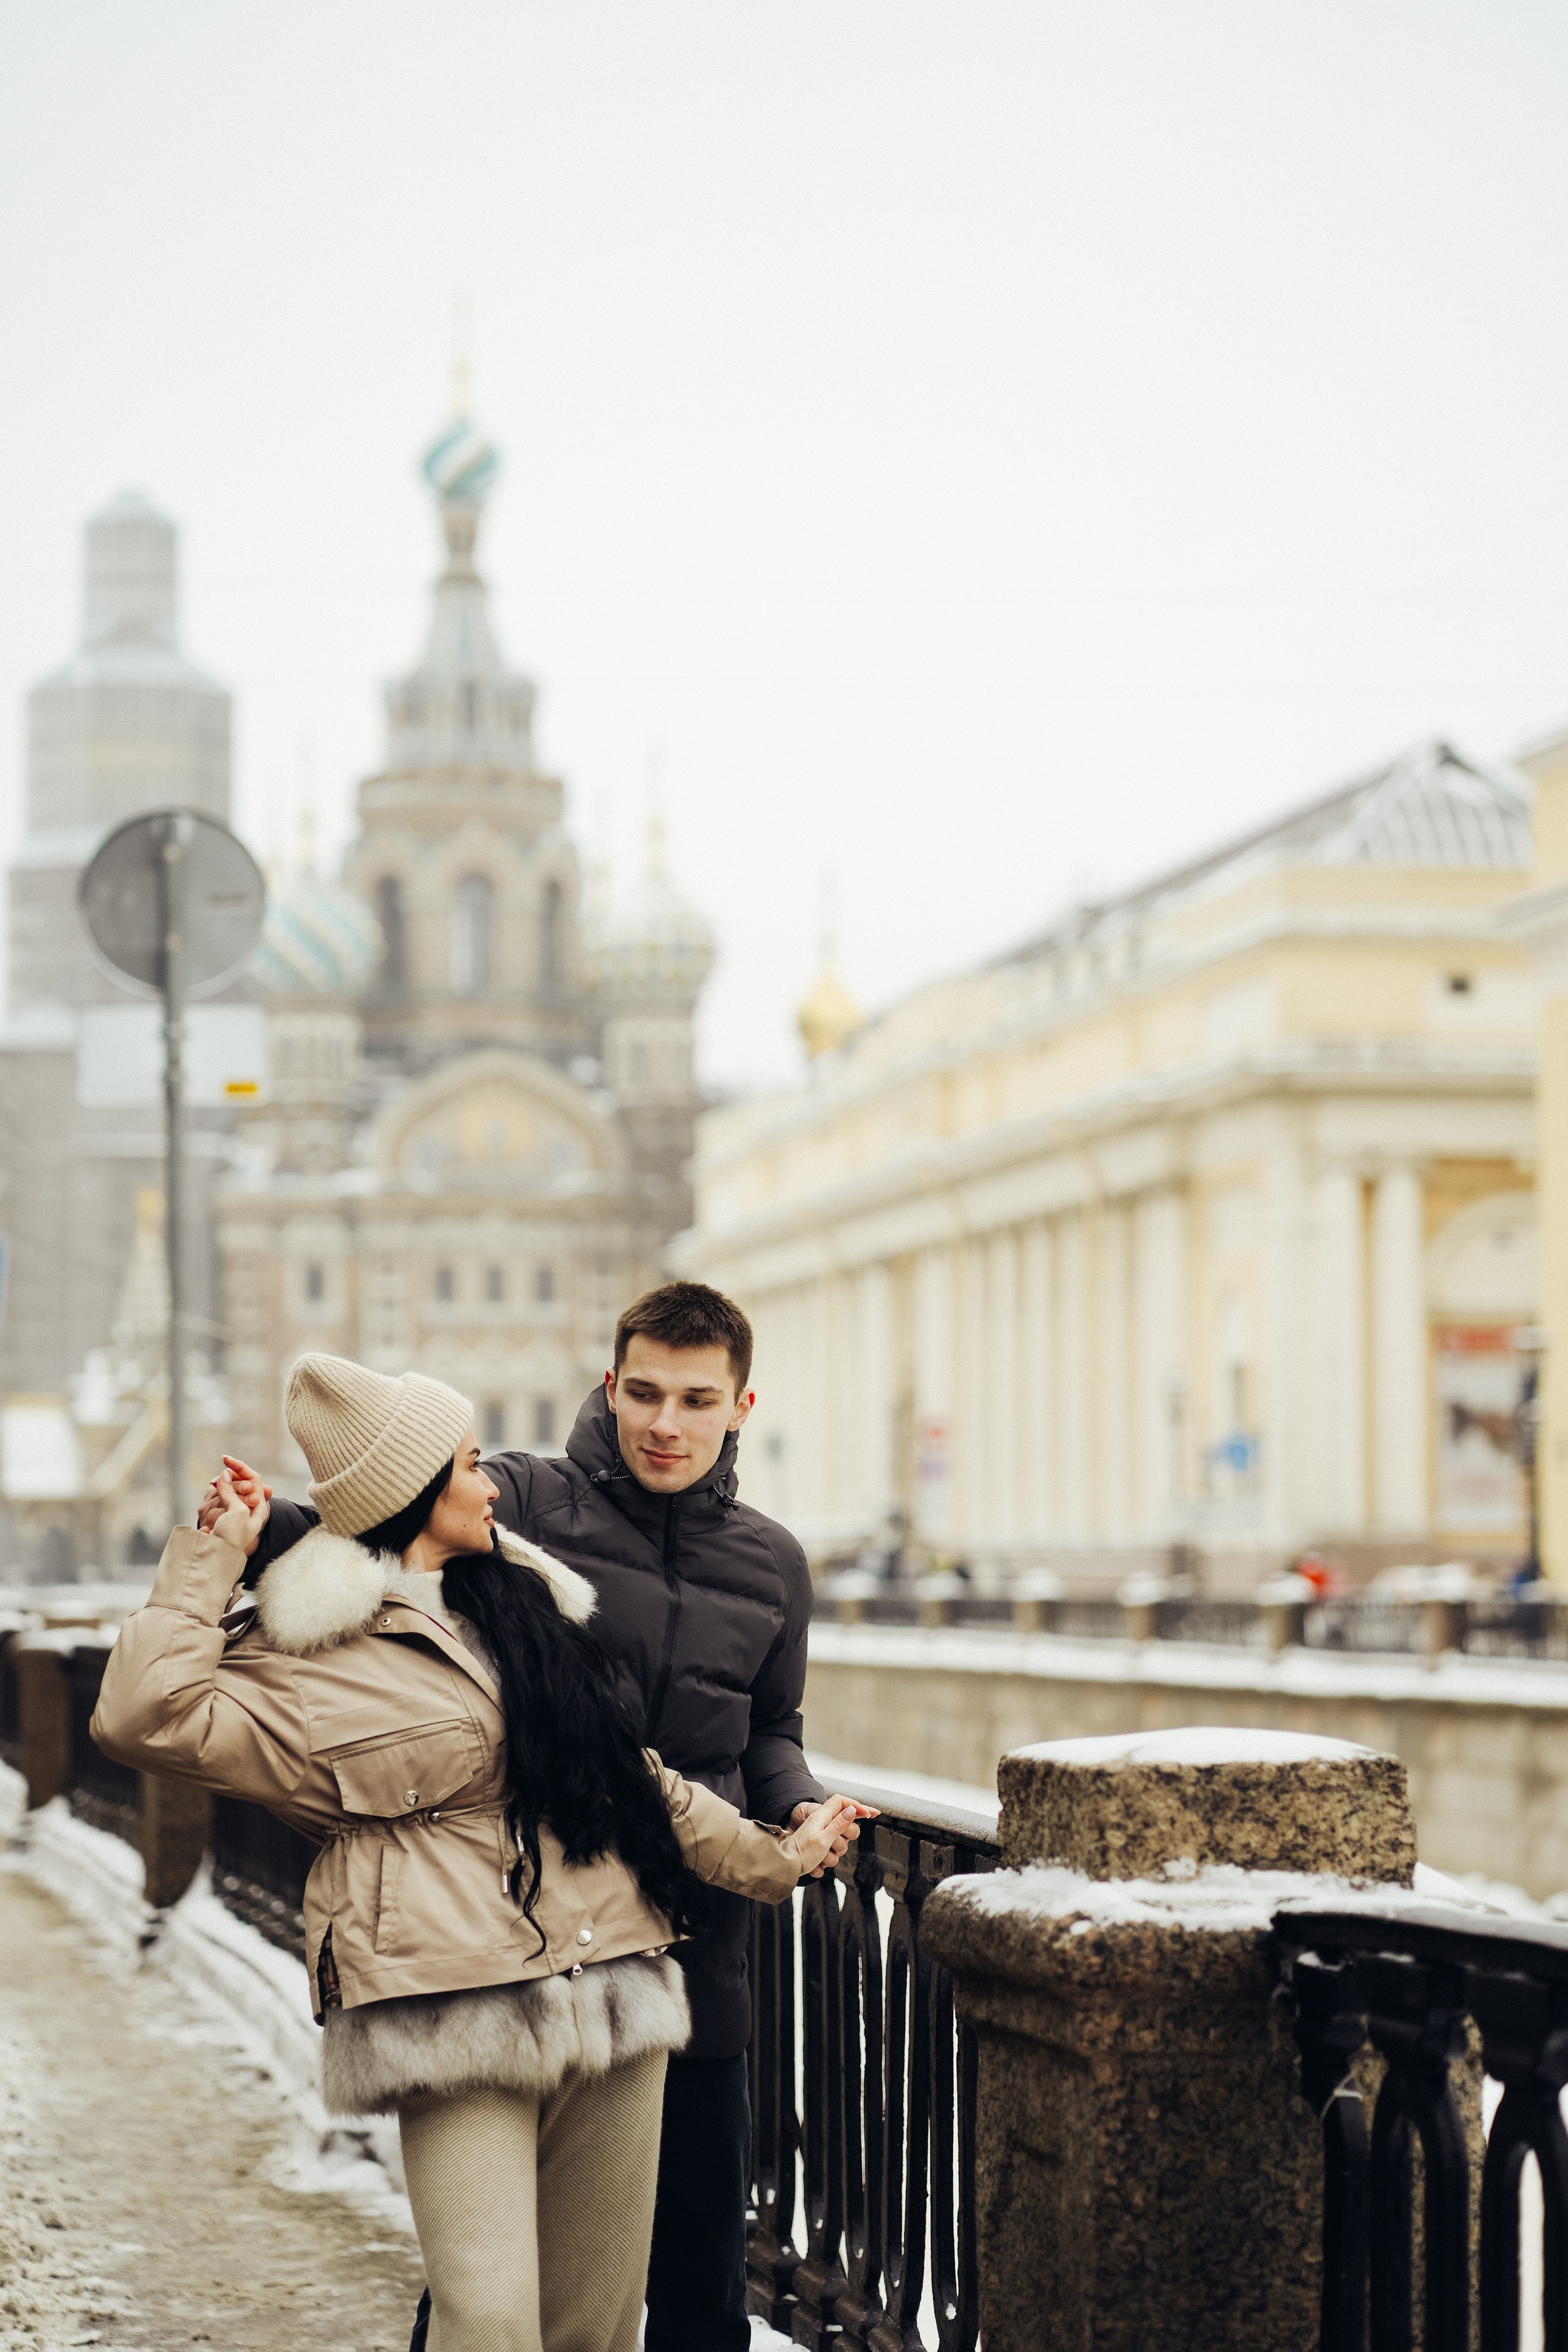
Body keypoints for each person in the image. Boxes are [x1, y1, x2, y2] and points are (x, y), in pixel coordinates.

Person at [98, 1353, 864, 2352]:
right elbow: (142, 1715)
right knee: (489, 2322)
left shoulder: (524, 1607)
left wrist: (780, 1857)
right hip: (452, 2013)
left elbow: (638, 1783)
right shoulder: (305, 1656)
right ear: (415, 1493)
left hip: (613, 1992)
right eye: (466, 1465)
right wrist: (211, 1557)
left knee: (595, 2332)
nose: (491, 1483)